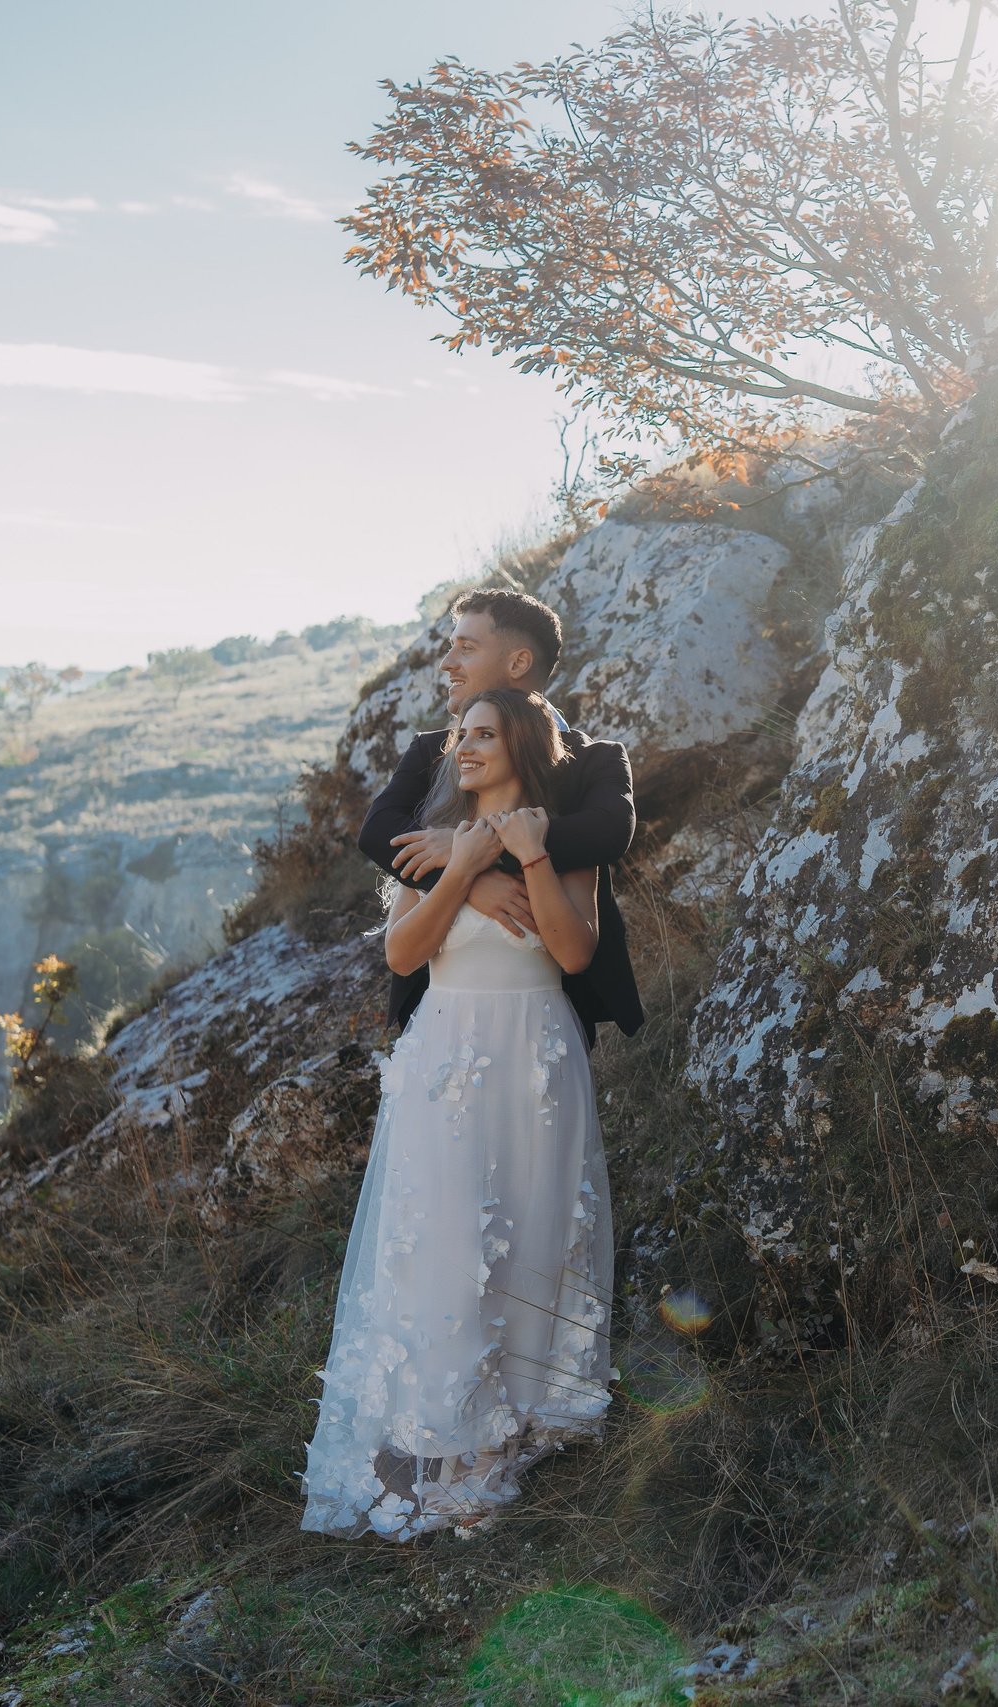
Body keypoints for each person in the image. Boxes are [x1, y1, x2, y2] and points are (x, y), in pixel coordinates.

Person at [301, 687, 615, 1539]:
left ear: (522, 744)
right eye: (462, 734)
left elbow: (574, 951)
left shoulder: (559, 837)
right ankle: (442, 1430)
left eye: (484, 734)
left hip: (535, 1053)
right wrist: (464, 870)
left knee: (534, 1229)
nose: (464, 746)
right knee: (443, 1239)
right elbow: (404, 952)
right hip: (446, 1054)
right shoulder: (435, 834)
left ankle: (508, 1435)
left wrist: (531, 856)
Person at [356, 588, 642, 1044]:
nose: (447, 663)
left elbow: (609, 832)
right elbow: (378, 832)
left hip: (550, 1020)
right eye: (451, 647)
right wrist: (470, 877)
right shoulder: (433, 751)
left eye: (466, 648)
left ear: (518, 663)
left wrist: (479, 849)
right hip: (441, 1017)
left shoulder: (595, 759)